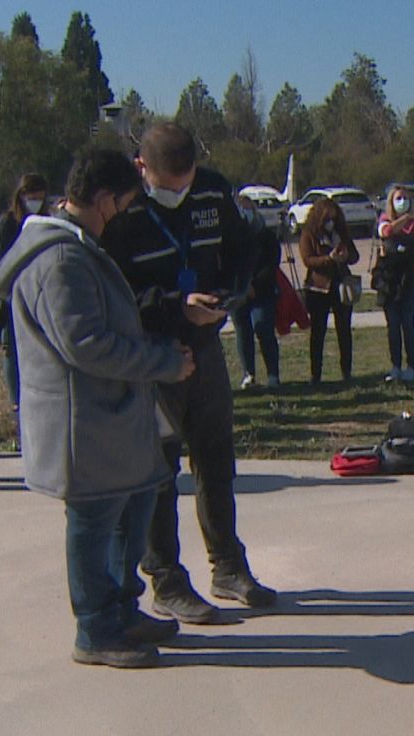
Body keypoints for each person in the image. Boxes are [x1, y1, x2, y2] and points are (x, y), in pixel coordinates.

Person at [0, 147, 196, 668]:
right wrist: (160, 363)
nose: (123, 215)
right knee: (93, 522)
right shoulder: (60, 260)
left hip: (110, 419)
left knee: (133, 505)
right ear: (103, 199)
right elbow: (86, 345)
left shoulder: (76, 248)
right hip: (83, 424)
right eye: (123, 204)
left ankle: (120, 608)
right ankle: (95, 628)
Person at [101, 122, 277, 622]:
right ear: (142, 170)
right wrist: (177, 305)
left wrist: (232, 291)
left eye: (186, 182)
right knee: (159, 468)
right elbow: (115, 294)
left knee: (216, 456)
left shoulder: (212, 191)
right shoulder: (123, 211)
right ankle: (166, 579)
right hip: (152, 353)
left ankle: (228, 565)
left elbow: (246, 248)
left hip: (204, 343)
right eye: (167, 185)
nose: (179, 194)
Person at [0, 173, 50, 411]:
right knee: (13, 351)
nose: (34, 201)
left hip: (40, 293)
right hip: (13, 294)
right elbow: (0, 260)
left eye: (39, 197)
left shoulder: (45, 221)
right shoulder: (8, 222)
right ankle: (17, 401)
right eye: (30, 196)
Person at [298, 197, 360, 383]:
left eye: (333, 218)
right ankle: (315, 374)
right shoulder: (309, 234)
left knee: (344, 330)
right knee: (318, 332)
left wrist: (346, 255)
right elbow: (308, 259)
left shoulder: (341, 232)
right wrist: (329, 258)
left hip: (341, 286)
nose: (330, 223)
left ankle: (346, 372)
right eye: (327, 219)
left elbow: (355, 256)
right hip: (318, 288)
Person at [376, 185, 414, 382]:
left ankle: (411, 366)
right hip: (390, 281)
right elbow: (387, 231)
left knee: (408, 324)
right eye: (398, 198)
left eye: (406, 198)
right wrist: (406, 218)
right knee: (393, 325)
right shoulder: (384, 219)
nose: (402, 202)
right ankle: (395, 366)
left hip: (410, 281)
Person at [232, 193, 282, 390]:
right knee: (243, 332)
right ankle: (249, 374)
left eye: (248, 209)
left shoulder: (266, 236)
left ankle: (273, 375)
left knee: (263, 327)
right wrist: (242, 285)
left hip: (263, 291)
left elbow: (272, 264)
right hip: (239, 293)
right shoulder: (231, 236)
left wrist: (255, 284)